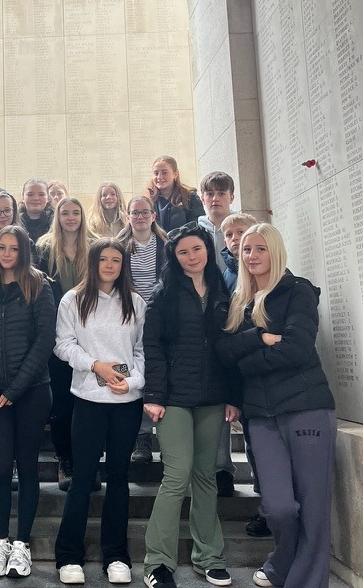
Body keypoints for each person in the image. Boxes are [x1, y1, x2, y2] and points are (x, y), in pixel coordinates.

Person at [217, 224, 335, 588]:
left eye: (260, 249)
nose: (251, 255)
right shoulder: (239, 301)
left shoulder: (298, 291)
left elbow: (297, 349)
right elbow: (224, 352)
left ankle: (306, 580)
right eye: (246, 250)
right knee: (278, 505)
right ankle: (283, 560)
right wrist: (260, 340)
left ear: (276, 252)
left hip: (306, 408)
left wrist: (246, 362)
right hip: (261, 416)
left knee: (313, 507)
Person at [142, 223, 238, 588]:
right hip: (174, 400)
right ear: (174, 256)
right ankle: (157, 563)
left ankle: (209, 557)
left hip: (213, 397)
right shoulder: (163, 293)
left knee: (205, 476)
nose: (191, 257)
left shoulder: (224, 290)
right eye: (183, 252)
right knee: (177, 474)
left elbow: (232, 346)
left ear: (208, 250)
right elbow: (152, 348)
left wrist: (234, 395)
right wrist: (153, 395)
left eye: (196, 249)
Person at [54, 238, 146, 586]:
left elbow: (141, 351)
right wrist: (96, 366)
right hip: (89, 401)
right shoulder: (73, 299)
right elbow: (63, 345)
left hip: (126, 404)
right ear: (92, 263)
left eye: (116, 260)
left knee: (119, 480)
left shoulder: (135, 302)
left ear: (123, 265)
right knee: (82, 480)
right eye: (103, 259)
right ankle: (68, 555)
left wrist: (132, 382)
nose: (109, 265)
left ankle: (117, 555)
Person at [0, 225, 56, 579]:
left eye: (14, 248)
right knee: (1, 470)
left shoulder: (40, 285)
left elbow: (44, 341)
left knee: (27, 466)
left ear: (24, 251)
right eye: (2, 248)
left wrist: (15, 389)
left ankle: (22, 545)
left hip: (32, 392)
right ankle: (1, 542)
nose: (7, 254)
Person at [38, 197, 94, 491]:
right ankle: (65, 459)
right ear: (56, 217)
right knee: (62, 400)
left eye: (75, 212)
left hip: (92, 334)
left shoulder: (95, 245)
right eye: (65, 213)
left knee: (90, 401)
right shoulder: (44, 247)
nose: (71, 218)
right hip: (58, 334)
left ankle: (88, 460)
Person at [219, 212, 268, 539]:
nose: (235, 239)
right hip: (236, 372)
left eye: (242, 233)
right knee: (253, 442)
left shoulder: (275, 276)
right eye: (230, 235)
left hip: (267, 374)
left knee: (263, 446)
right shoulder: (223, 274)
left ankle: (267, 506)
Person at [117, 196, 168, 465]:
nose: (139, 217)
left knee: (157, 375)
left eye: (144, 212)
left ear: (153, 216)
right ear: (127, 216)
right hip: (130, 319)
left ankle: (165, 436)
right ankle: (141, 437)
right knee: (136, 374)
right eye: (134, 212)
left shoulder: (167, 244)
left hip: (161, 320)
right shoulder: (120, 247)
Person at [197, 171, 238, 497]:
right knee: (211, 396)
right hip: (204, 324)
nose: (215, 198)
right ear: (202, 198)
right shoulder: (193, 231)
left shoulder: (242, 230)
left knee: (229, 397)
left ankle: (224, 467)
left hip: (237, 321)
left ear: (231, 196)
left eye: (220, 192)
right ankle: (211, 467)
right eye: (209, 193)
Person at [147, 156, 204, 232]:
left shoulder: (190, 198)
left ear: (175, 174)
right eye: (156, 173)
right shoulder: (148, 201)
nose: (159, 177)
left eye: (164, 173)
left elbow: (197, 227)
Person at [19, 177, 54, 243]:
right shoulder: (15, 222)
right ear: (23, 197)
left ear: (48, 198)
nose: (36, 198)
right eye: (30, 194)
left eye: (41, 194)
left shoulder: (55, 222)